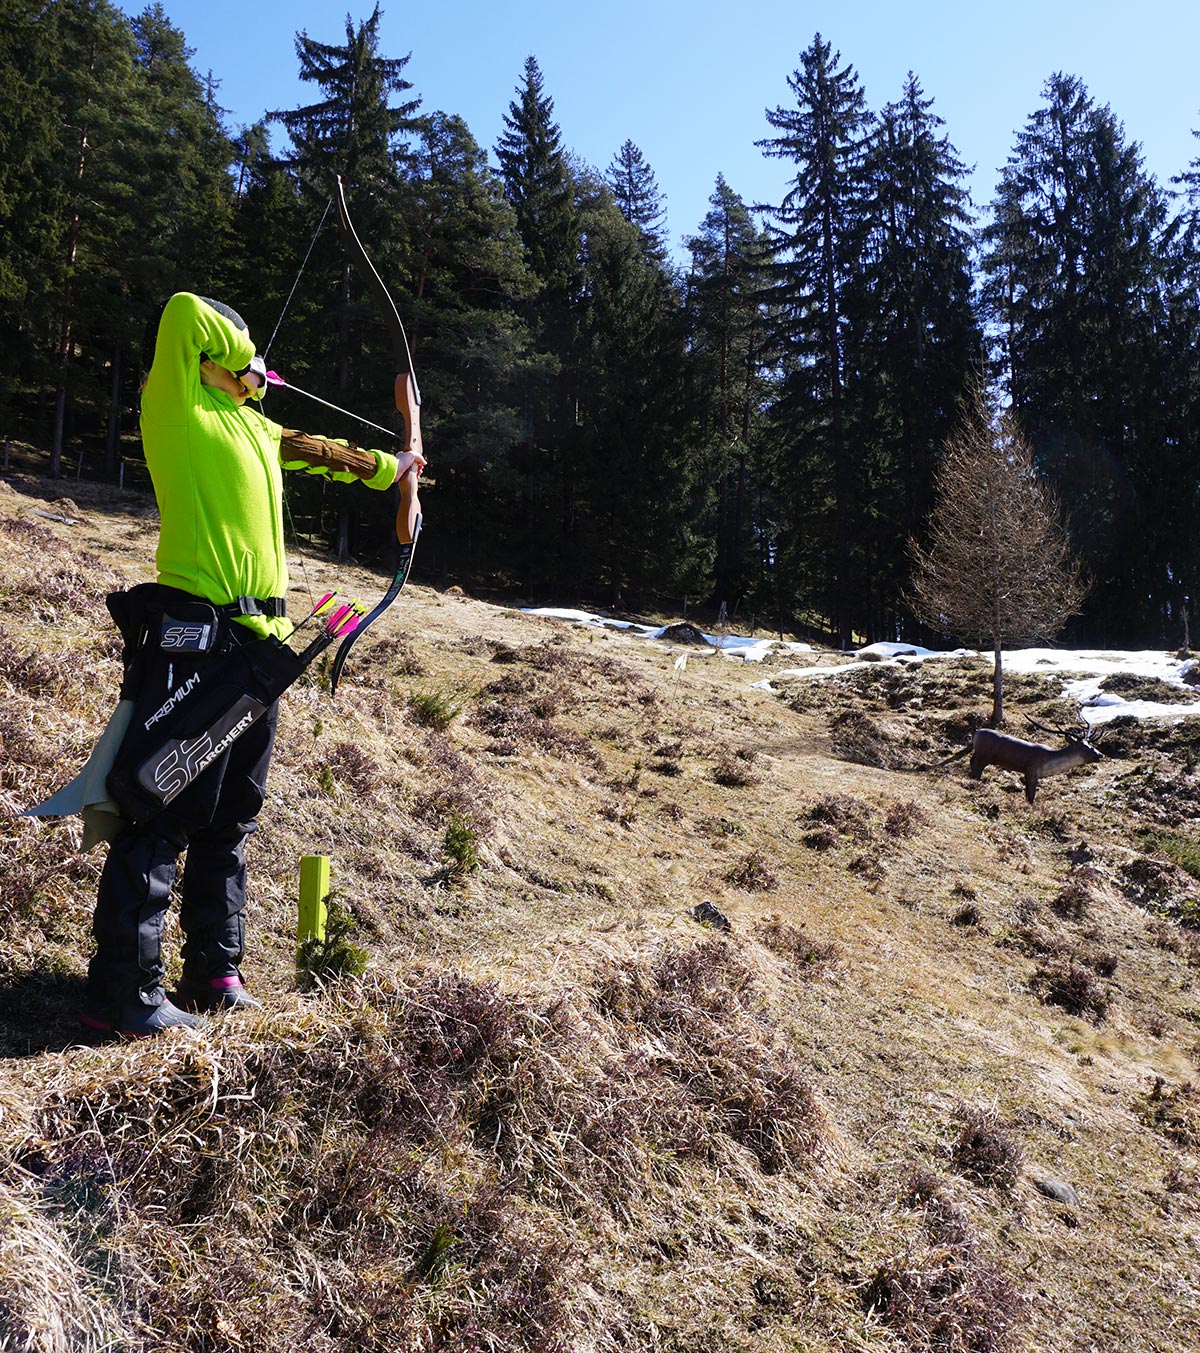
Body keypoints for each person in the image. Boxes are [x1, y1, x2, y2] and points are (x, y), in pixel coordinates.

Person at [79, 291, 424, 1037]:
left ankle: (213, 971)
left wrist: (396, 466)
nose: (255, 363)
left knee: (230, 817)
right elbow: (178, 310)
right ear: (215, 358)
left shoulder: (257, 430)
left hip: (260, 653)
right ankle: (126, 991)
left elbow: (326, 452)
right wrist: (243, 355)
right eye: (238, 350)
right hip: (195, 639)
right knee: (161, 808)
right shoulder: (177, 408)